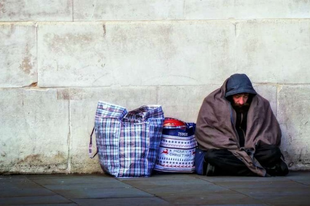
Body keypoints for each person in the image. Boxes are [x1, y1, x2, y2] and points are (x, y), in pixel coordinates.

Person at [195, 73, 288, 176]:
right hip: (228, 151)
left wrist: (254, 143)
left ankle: (231, 170)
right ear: (229, 95)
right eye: (237, 97)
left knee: (273, 152)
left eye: (245, 96)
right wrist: (230, 144)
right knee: (212, 156)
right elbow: (204, 131)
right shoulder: (212, 102)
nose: (242, 101)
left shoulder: (261, 104)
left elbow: (271, 132)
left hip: (253, 151)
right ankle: (264, 171)